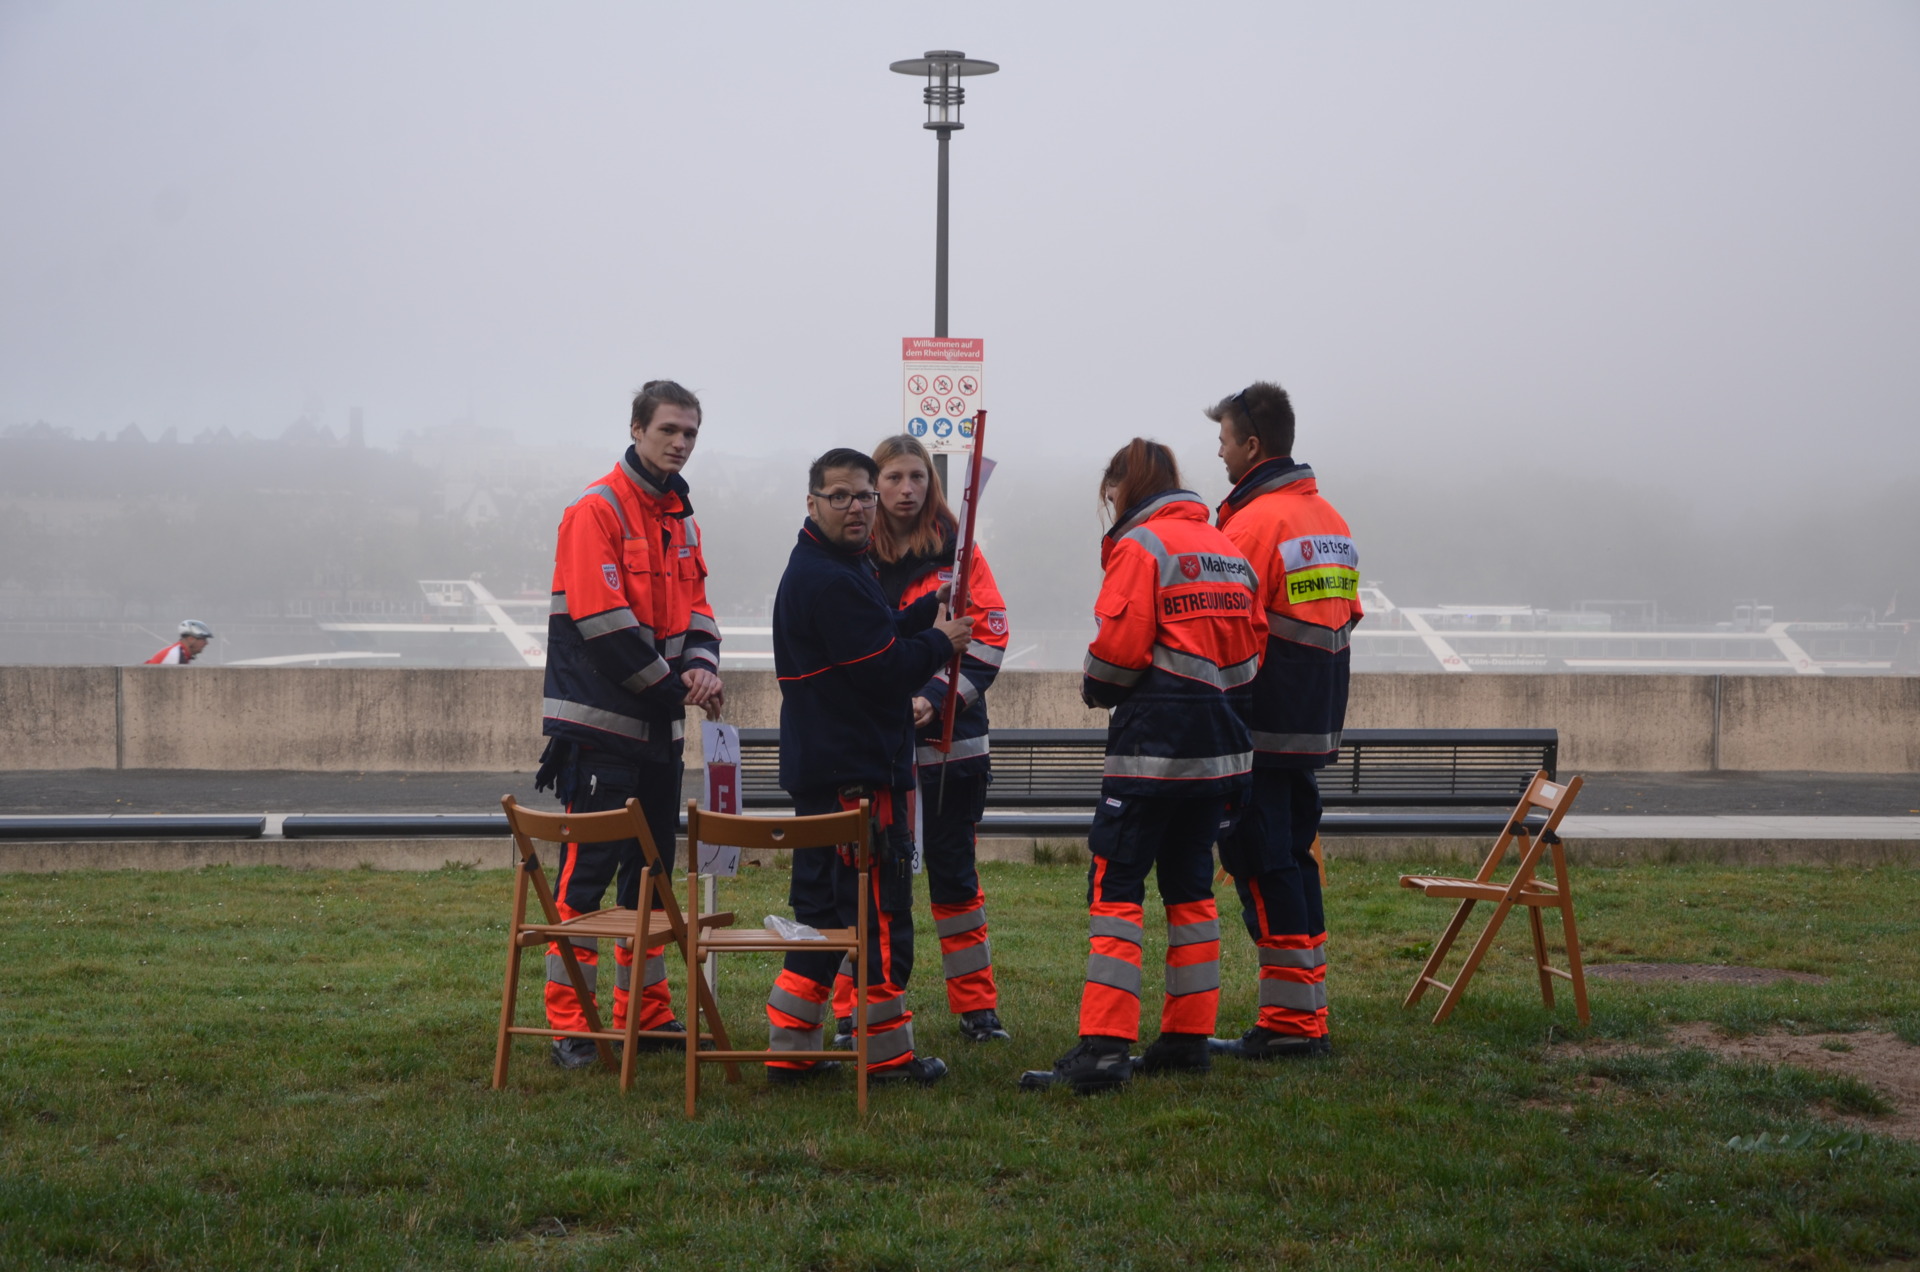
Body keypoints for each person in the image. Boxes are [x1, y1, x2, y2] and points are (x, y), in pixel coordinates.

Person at [1020, 439, 1262, 1093]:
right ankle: (1186, 1039)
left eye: (1110, 496)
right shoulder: (1228, 550)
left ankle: (1103, 1049)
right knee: (1191, 892)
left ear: (1123, 489)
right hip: (1221, 750)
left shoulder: (1143, 547)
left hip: (1152, 750)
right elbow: (1248, 657)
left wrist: (1097, 684)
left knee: (1117, 890)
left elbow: (1118, 652)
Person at [766, 447, 974, 1087]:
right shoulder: (829, 579)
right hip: (856, 779)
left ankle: (791, 1046)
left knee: (822, 917)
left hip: (825, 770)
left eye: (864, 495)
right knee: (879, 917)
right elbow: (881, 670)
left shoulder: (832, 566)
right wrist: (943, 641)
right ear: (812, 503)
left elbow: (878, 631)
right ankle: (886, 1056)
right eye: (841, 497)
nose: (857, 508)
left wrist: (922, 611)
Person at [533, 379, 724, 1069]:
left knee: (651, 879)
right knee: (585, 883)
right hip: (600, 731)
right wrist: (679, 688)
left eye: (691, 433)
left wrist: (704, 665)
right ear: (638, 428)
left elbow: (699, 612)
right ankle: (572, 1028)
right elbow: (605, 626)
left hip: (658, 732)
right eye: (669, 429)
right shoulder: (596, 510)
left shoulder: (682, 520)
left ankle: (645, 1015)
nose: (680, 442)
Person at [824, 433, 1011, 1045]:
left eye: (917, 478)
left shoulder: (960, 552)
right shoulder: (852, 557)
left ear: (932, 486)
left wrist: (934, 698)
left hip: (953, 749)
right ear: (872, 487)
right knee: (871, 888)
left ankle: (977, 1009)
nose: (906, 489)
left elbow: (987, 635)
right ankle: (858, 1010)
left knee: (956, 878)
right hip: (877, 755)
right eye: (894, 478)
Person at [1206, 381, 1362, 1060]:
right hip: (1313, 724)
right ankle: (1308, 1013)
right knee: (1295, 862)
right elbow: (1345, 618)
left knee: (1261, 864)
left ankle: (1291, 1027)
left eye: (1223, 442)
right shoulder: (1329, 518)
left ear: (1252, 445)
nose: (1218, 455)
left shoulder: (1250, 524)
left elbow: (1222, 625)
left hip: (1260, 727)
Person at [146, 620, 213, 664]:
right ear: (191, 639)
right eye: (203, 639)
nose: (206, 643)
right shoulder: (176, 655)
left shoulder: (181, 653)